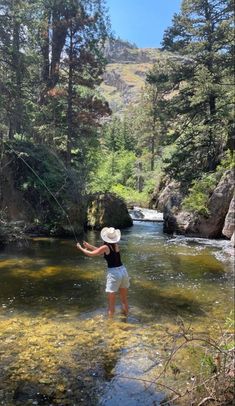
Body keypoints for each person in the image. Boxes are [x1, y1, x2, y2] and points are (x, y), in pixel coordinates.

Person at [76, 227, 130, 318]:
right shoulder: (116, 245)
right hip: (123, 271)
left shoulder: (105, 247)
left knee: (111, 305)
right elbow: (101, 251)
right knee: (124, 300)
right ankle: (125, 320)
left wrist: (81, 248)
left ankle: (110, 327)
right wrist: (89, 246)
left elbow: (93, 254)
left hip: (114, 274)